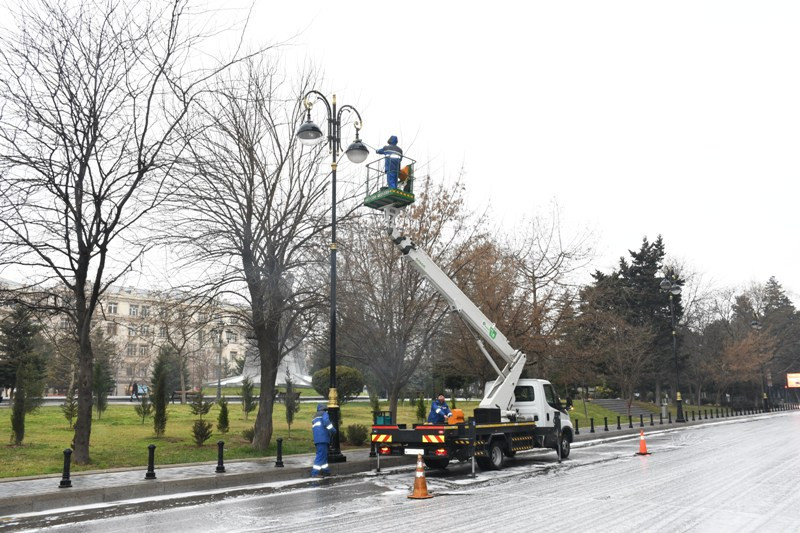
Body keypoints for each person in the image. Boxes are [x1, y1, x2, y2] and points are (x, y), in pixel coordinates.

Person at [311, 403, 337, 477]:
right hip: (323, 438)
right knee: (320, 456)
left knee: (323, 456)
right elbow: (326, 423)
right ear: (325, 409)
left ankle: (326, 471)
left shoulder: (314, 416)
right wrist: (333, 430)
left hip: (317, 439)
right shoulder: (324, 414)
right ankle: (314, 473)